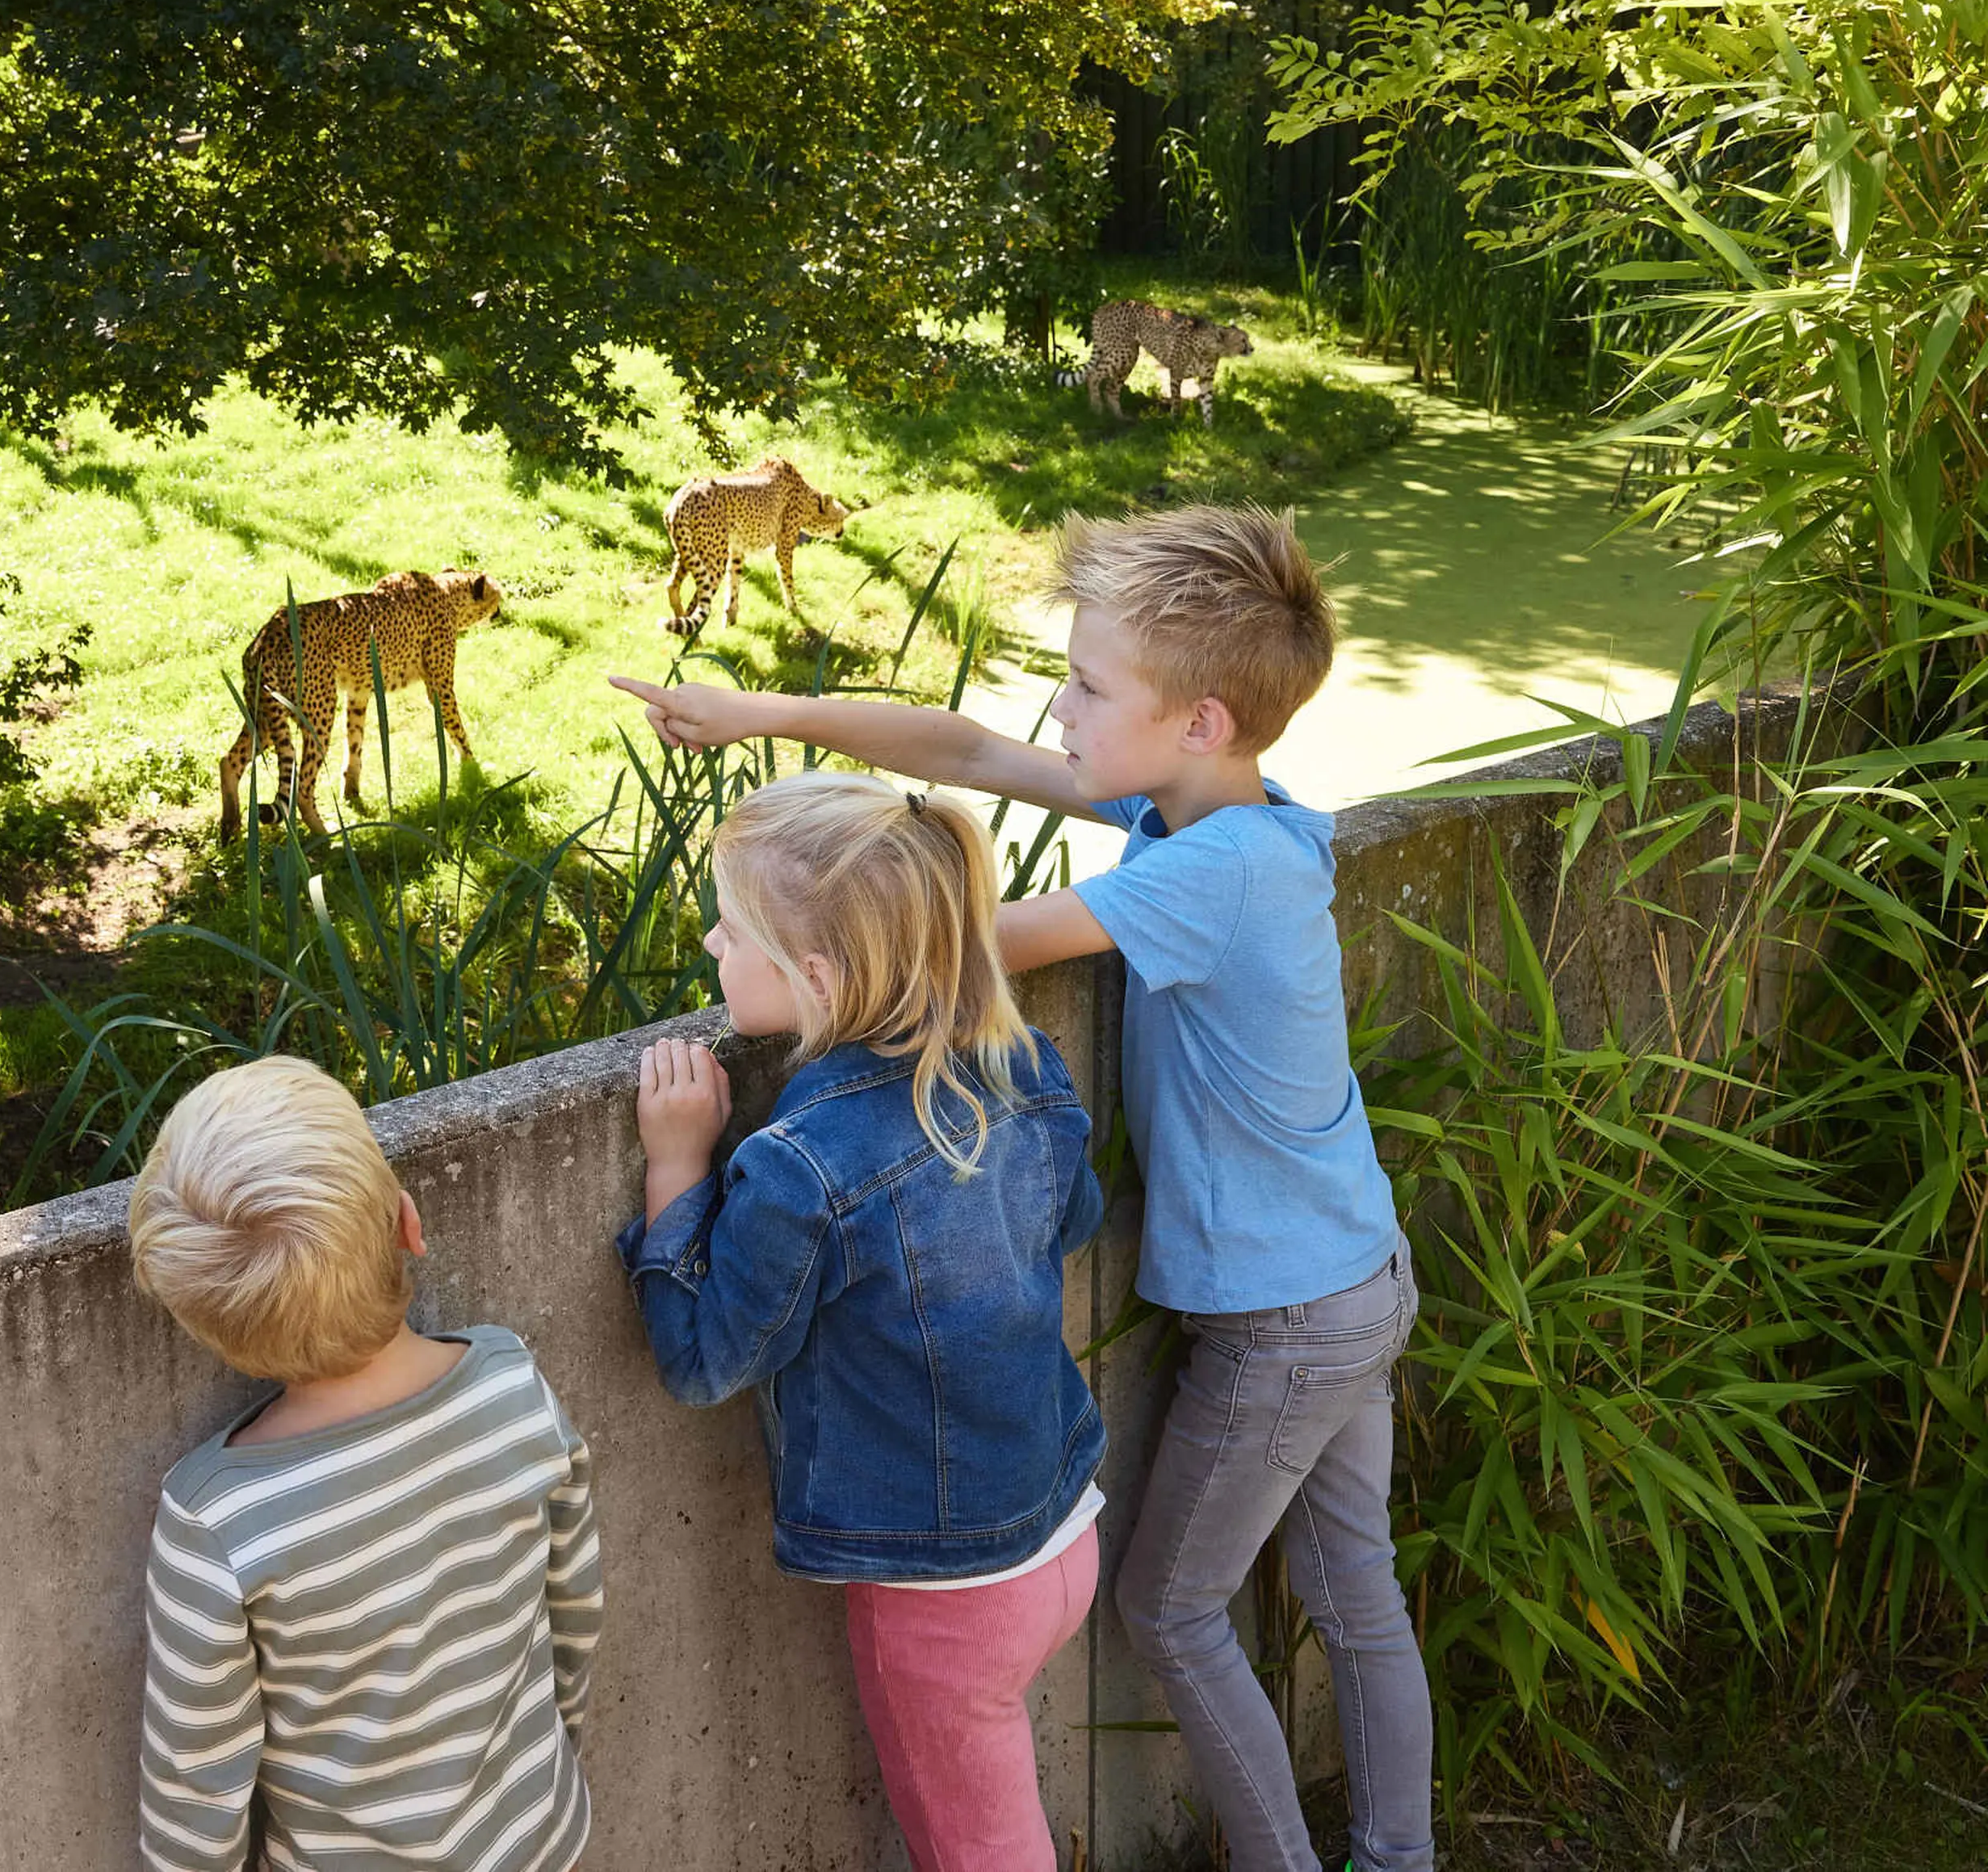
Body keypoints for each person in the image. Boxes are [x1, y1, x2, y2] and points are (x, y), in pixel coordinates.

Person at [612, 504, 1428, 1872]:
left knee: (1173, 1611)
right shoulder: (1217, 815)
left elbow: (934, 948)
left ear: (1200, 720)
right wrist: (768, 714)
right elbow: (965, 751)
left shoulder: (1211, 869)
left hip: (1287, 1316)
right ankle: (1400, 1858)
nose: (1057, 703)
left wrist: (805, 945)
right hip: (1356, 1272)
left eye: (1092, 684)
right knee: (1358, 1594)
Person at [622, 770, 1105, 1872]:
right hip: (1063, 1523)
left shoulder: (802, 1169)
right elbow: (1070, 1216)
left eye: (733, 931)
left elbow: (704, 1363)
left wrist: (677, 1167)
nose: (708, 943)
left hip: (940, 1599)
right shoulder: (1024, 1066)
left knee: (979, 1854)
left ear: (819, 976)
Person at [128, 1054, 602, 1872]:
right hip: (534, 1839)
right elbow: (575, 1609)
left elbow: (194, 1788)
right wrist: (555, 1750)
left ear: (215, 1333)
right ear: (409, 1224)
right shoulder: (509, 1384)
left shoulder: (217, 1521)